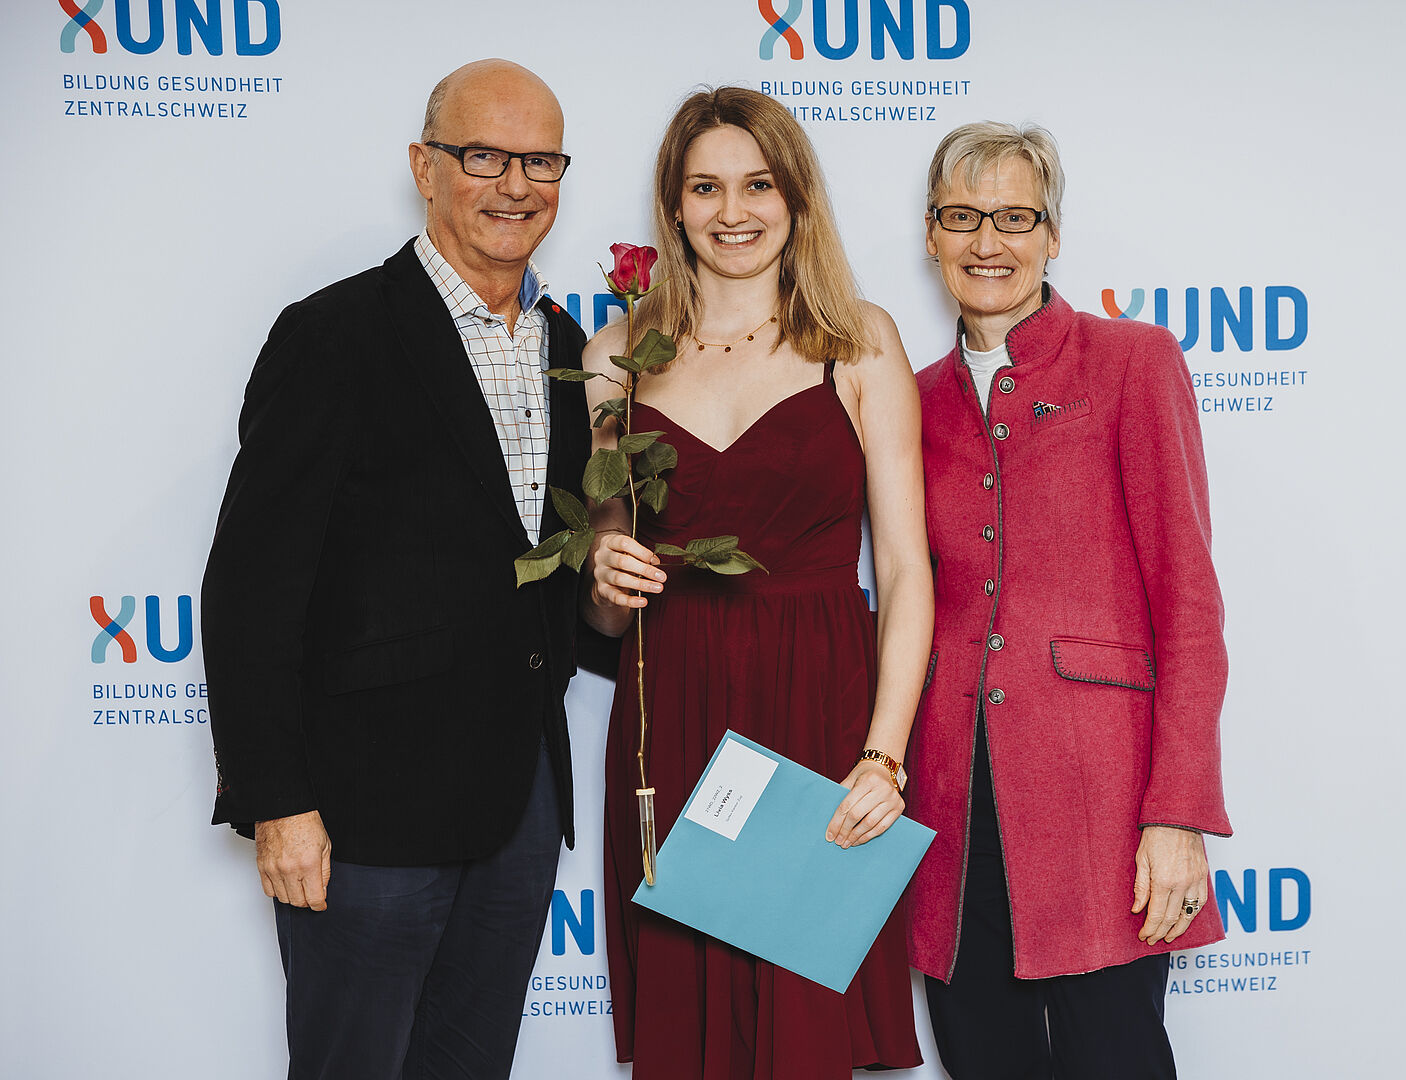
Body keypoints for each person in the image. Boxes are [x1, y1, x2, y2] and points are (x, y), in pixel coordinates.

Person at [201, 59, 592, 1080]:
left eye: (541, 161)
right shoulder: (334, 336)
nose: (515, 185)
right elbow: (249, 591)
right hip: (363, 816)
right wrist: (278, 802)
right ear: (425, 167)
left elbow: (544, 578)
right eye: (484, 157)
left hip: (517, 810)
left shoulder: (568, 347)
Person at [582, 86, 932, 1078]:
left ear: (796, 197)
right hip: (671, 710)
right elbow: (604, 616)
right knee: (688, 1026)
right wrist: (604, 574)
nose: (732, 211)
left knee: (802, 1026)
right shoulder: (616, 356)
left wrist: (885, 755)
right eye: (705, 187)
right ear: (673, 203)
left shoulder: (858, 340)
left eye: (758, 185)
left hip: (817, 712)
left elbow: (904, 568)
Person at [905, 121, 1233, 1080]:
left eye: (1015, 217)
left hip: (1101, 800)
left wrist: (1177, 814)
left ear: (1053, 235)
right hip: (950, 809)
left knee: (1117, 1060)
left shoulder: (1133, 361)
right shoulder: (908, 398)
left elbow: (1190, 604)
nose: (987, 242)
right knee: (981, 1061)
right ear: (931, 234)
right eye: (962, 218)